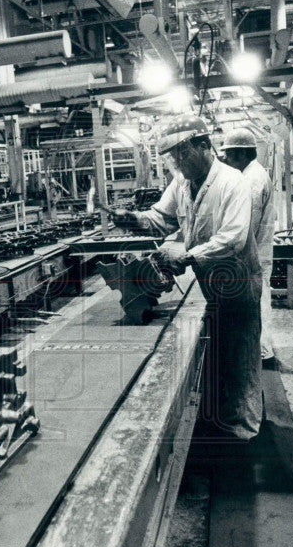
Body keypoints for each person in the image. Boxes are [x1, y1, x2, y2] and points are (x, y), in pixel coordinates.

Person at [112, 115, 263, 442]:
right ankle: (225, 419)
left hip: (238, 284)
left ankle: (247, 437)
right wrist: (130, 219)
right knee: (223, 353)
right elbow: (161, 220)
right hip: (211, 283)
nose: (177, 162)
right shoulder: (181, 183)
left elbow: (234, 238)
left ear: (204, 145)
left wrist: (187, 256)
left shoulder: (232, 182)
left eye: (183, 153)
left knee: (242, 355)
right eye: (172, 155)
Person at [219, 127, 276, 368]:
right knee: (258, 302)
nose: (226, 161)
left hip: (254, 257)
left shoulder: (252, 180)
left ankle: (263, 353)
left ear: (242, 154)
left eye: (229, 156)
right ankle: (261, 350)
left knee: (258, 303)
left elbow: (245, 227)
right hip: (256, 254)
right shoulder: (254, 174)